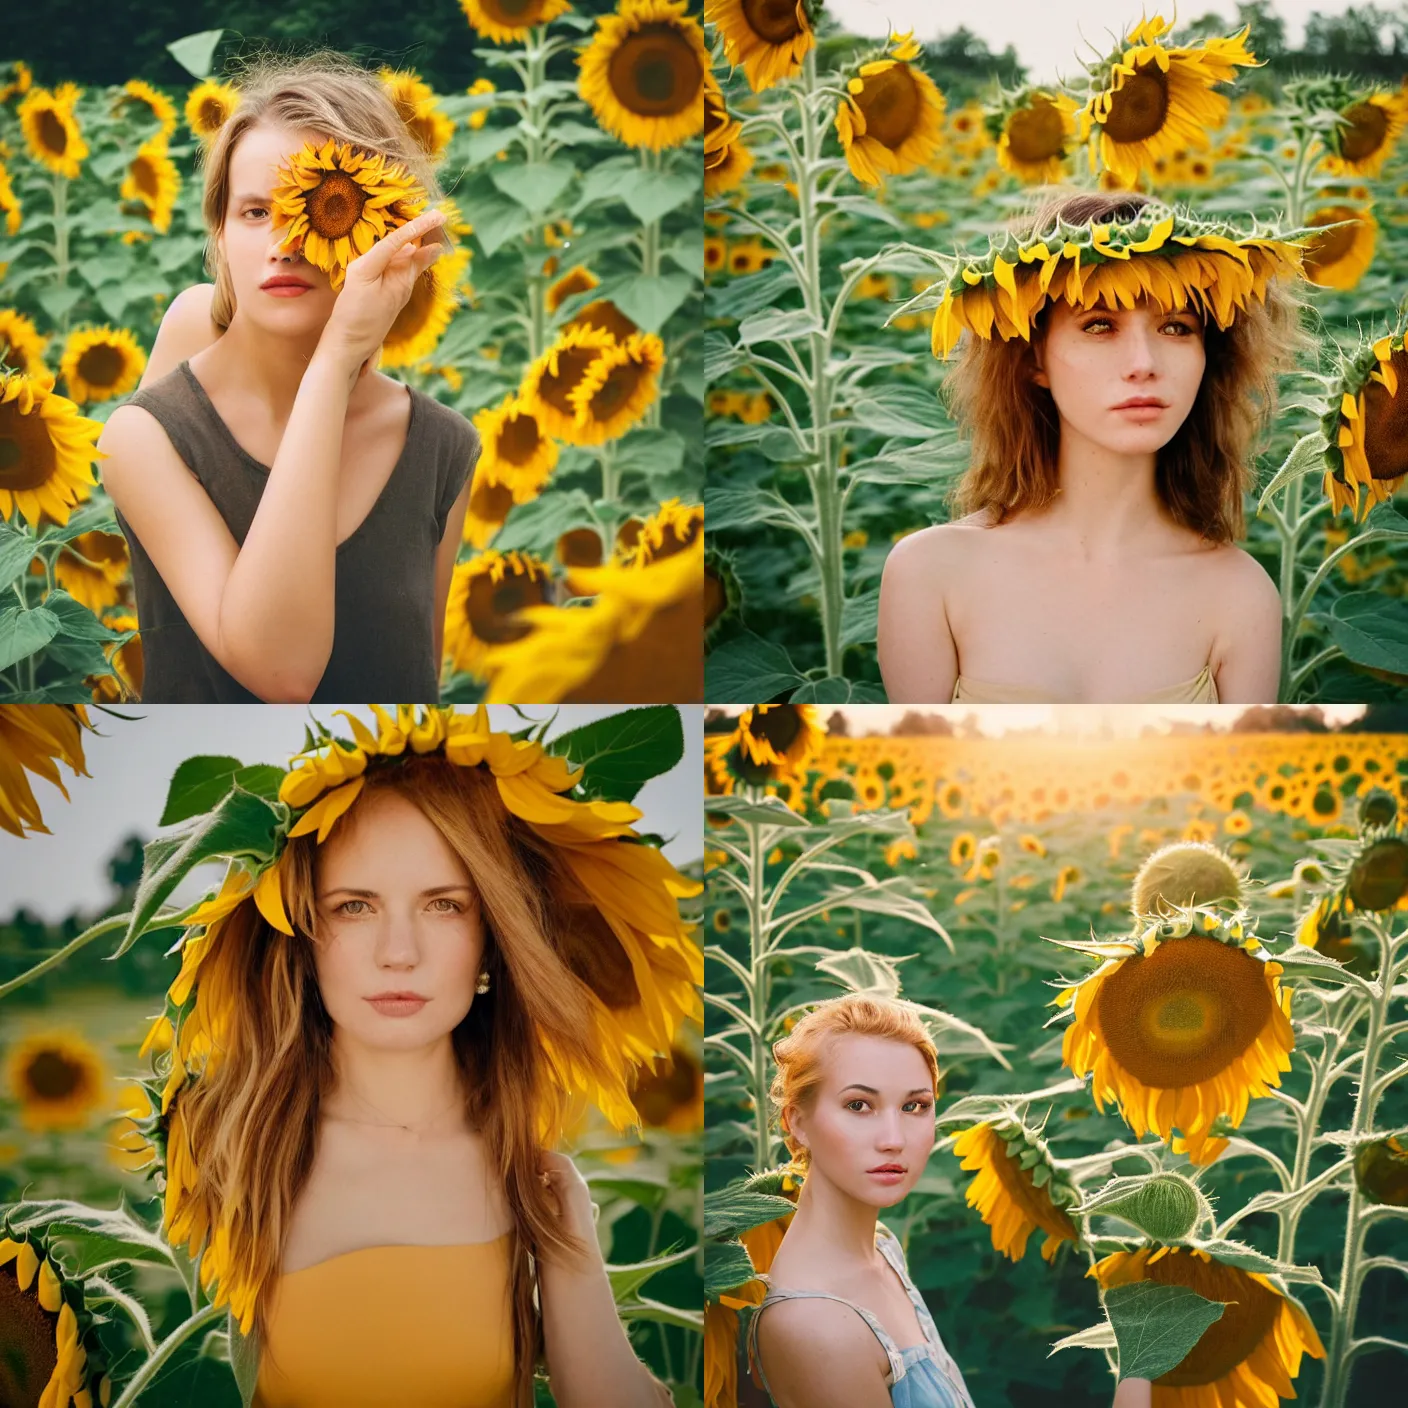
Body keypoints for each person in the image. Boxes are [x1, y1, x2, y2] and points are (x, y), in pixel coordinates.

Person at [148, 706, 697, 1407]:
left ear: (494, 936)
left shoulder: (531, 1179)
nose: (398, 954)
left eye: (443, 904)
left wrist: (573, 1257)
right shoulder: (230, 1149)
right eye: (354, 906)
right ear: (300, 934)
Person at [98, 54, 478, 703]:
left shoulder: (443, 446)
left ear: (385, 230)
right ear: (218, 234)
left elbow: (418, 693)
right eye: (254, 212)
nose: (287, 241)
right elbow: (282, 673)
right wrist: (334, 361)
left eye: (325, 207)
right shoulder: (144, 438)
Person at [878, 189, 1311, 705]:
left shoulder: (1240, 595)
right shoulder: (930, 574)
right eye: (1100, 325)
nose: (1143, 362)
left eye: (1176, 327)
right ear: (1033, 358)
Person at [746, 994, 1151, 1408]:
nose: (893, 1139)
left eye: (914, 1106)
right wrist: (1142, 1361)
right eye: (858, 1105)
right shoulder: (815, 1326)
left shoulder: (882, 1249)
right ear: (797, 1122)